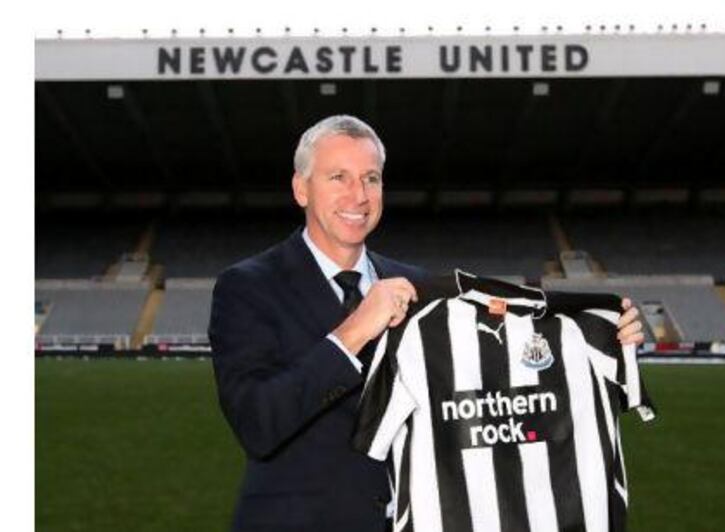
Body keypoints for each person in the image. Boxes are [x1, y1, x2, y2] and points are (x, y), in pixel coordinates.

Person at [208, 114, 644, 532]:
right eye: (338, 177)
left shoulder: (420, 286)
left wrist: (597, 336)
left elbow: (495, 374)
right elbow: (257, 423)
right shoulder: (247, 287)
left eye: (371, 178)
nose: (358, 195)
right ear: (301, 188)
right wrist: (355, 329)